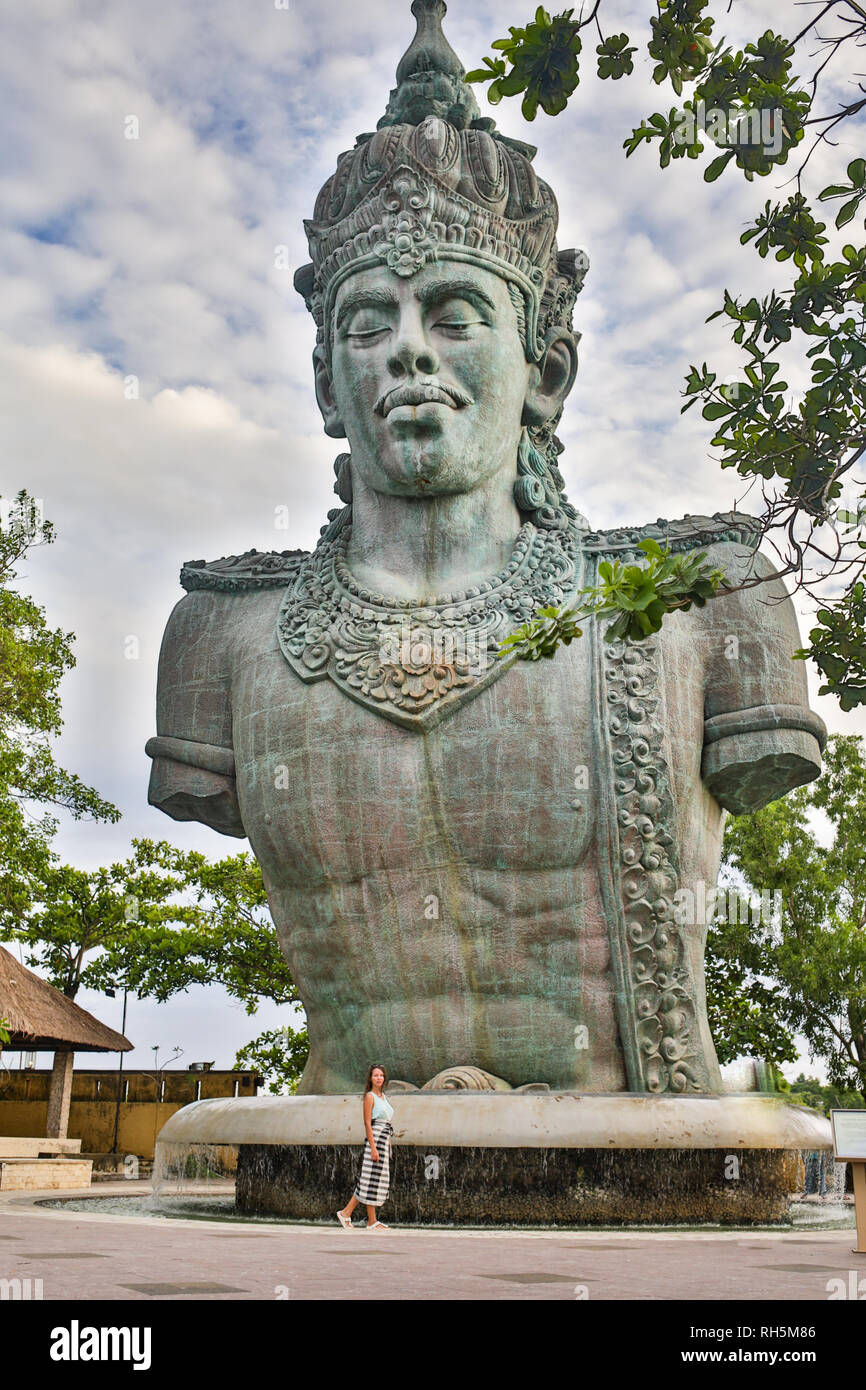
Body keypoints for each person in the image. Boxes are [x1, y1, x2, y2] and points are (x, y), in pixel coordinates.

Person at [337, 1063, 394, 1230]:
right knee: (368, 1179)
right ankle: (346, 1213)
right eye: (376, 1075)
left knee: (374, 1180)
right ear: (370, 1078)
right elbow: (368, 1124)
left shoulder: (383, 1096)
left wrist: (388, 1143)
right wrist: (373, 1147)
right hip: (375, 1140)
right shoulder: (370, 1097)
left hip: (383, 1140)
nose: (379, 1078)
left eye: (381, 1075)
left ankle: (371, 1221)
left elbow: (387, 1122)